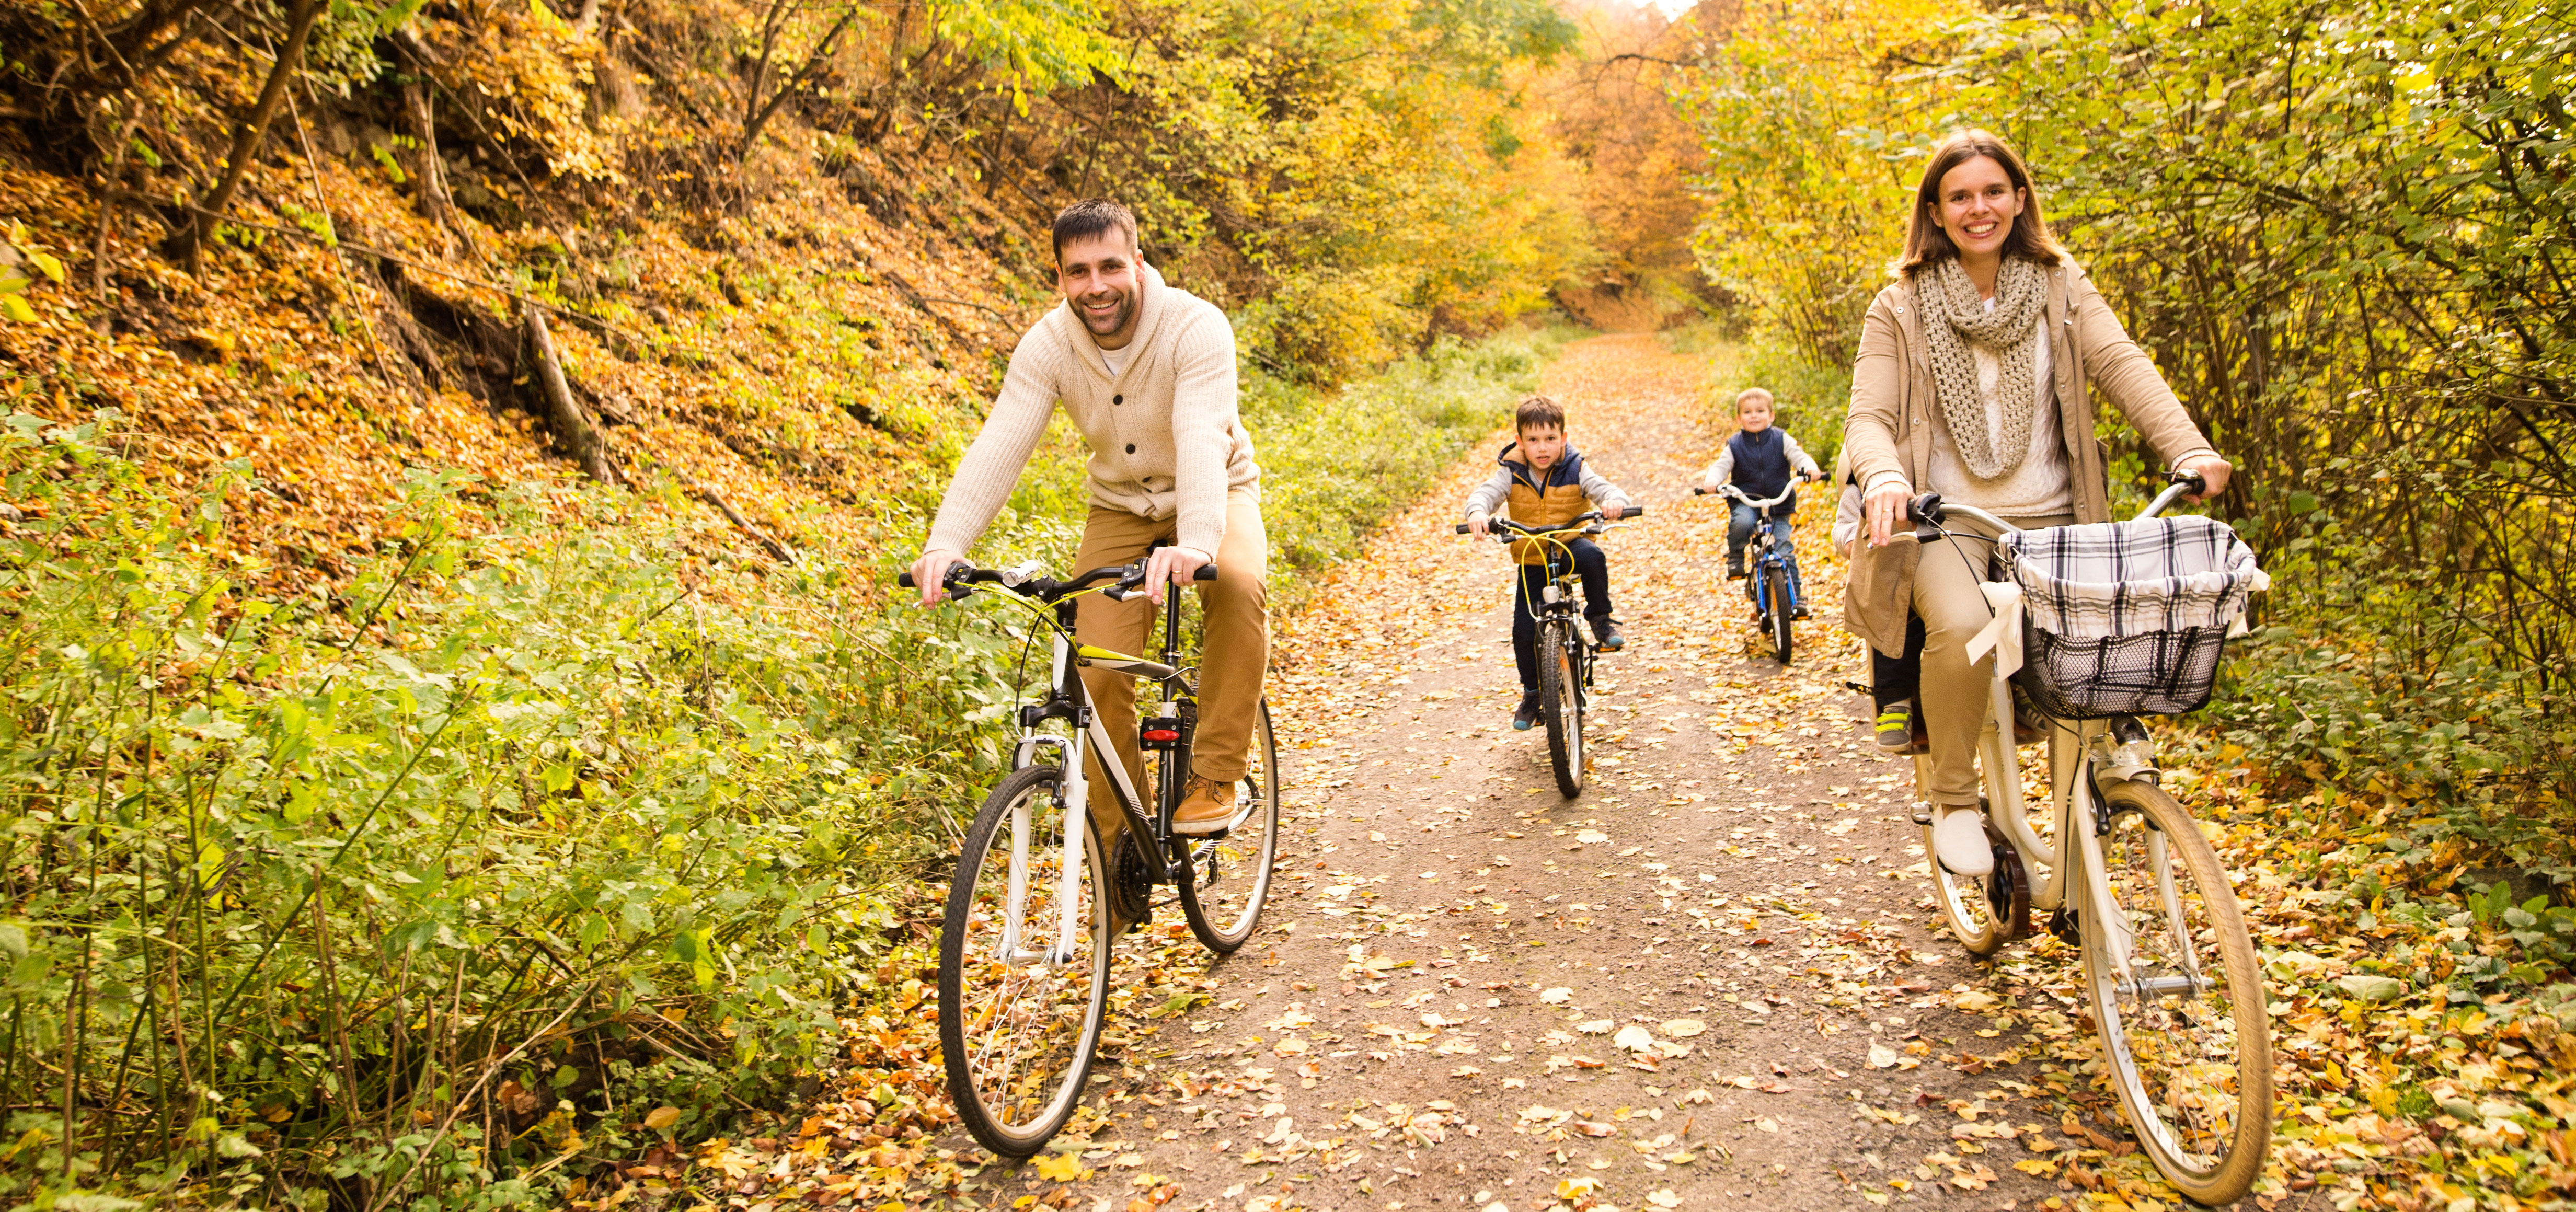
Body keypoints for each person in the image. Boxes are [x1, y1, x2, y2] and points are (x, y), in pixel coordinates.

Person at [1843, 129, 2235, 878]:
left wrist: (2185, 446)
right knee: (1960, 627)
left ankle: (2079, 812)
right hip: (1948, 520)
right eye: (1960, 195)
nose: (1979, 207)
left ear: (2020, 199)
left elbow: (2122, 363)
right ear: (1936, 209)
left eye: (1994, 191)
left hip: (2058, 513)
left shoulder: (2061, 284)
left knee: (2091, 649)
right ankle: (1957, 799)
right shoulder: (1899, 305)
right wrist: (1885, 476)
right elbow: (1869, 414)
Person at [907, 198, 1267, 854]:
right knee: (1094, 671)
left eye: (1108, 267)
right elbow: (1000, 445)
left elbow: (1198, 435)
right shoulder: (1048, 345)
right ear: (1061, 277)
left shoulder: (1195, 326)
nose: (1095, 286)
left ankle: (1217, 775)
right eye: (1078, 272)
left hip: (1214, 491)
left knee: (1237, 584)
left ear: (1136, 262)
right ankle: (1124, 843)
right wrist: (945, 543)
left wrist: (1195, 539)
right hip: (1119, 508)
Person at [1463, 396, 1633, 731]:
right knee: (1523, 630)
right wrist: (1479, 512)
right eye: (1533, 440)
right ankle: (1532, 694)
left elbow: (1603, 489)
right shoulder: (1510, 472)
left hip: (1571, 545)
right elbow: (1483, 495)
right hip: (1533, 556)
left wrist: (1615, 501)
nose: (1543, 448)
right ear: (1520, 441)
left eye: (1551, 439)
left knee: (1594, 557)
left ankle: (1600, 619)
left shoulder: (1576, 467)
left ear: (1563, 438)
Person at [1695, 387, 1824, 617]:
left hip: (1778, 504)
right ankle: (1736, 554)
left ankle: (1797, 598)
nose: (1754, 416)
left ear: (1771, 415)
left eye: (1760, 411)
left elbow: (1799, 456)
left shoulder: (1781, 439)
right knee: (1742, 522)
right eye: (1747, 412)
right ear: (1739, 418)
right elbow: (1721, 467)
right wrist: (1713, 481)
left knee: (1784, 549)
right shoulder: (1735, 445)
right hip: (1747, 501)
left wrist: (1809, 468)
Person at [1831, 444, 1924, 750]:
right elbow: (1844, 528)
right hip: (1894, 572)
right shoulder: (1862, 485)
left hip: (1945, 562)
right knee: (1893, 613)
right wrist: (1853, 542)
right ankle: (1896, 700)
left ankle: (2019, 686)